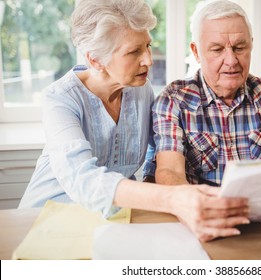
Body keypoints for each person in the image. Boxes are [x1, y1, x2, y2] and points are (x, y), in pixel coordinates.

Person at [18, 0, 249, 242]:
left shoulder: (140, 89)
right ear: (96, 60)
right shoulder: (60, 100)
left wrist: (156, 185)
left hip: (111, 223)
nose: (148, 60)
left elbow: (155, 150)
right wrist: (172, 198)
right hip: (45, 222)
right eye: (134, 51)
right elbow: (82, 179)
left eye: (147, 46)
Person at [152, 0, 261, 186]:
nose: (231, 60)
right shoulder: (174, 100)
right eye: (217, 49)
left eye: (239, 48)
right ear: (196, 52)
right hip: (205, 210)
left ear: (251, 45)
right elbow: (169, 172)